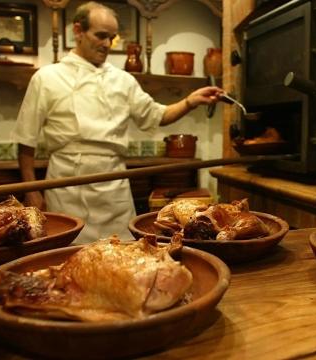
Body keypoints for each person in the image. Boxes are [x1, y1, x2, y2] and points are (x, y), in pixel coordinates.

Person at [12, 1, 222, 243]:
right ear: (78, 30)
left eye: (111, 38)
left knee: (123, 251)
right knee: (69, 255)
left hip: (114, 185)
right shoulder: (47, 78)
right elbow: (25, 140)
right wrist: (31, 191)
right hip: (67, 184)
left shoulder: (123, 81)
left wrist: (190, 101)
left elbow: (157, 115)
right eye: (100, 35)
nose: (106, 44)